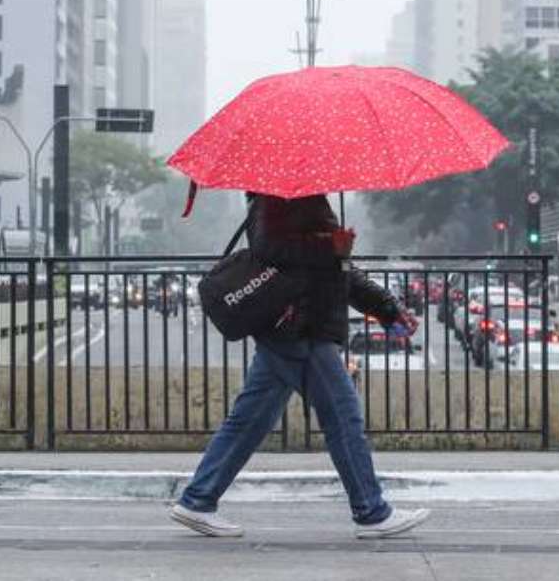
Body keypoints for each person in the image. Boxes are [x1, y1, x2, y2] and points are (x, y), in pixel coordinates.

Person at [171, 192, 429, 540]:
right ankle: (371, 511)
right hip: (301, 328)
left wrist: (386, 307)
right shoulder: (276, 198)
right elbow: (269, 250)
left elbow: (339, 272)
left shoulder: (302, 196)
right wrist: (329, 247)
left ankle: (198, 499)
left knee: (249, 421)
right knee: (343, 418)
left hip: (293, 327)